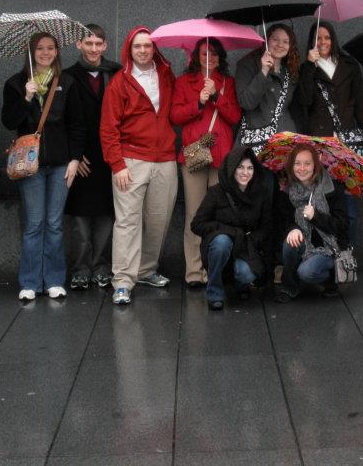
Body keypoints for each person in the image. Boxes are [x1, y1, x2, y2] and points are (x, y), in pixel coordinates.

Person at [2, 32, 84, 301]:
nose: (45, 53)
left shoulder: (67, 82)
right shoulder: (15, 83)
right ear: (31, 51)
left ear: (57, 51)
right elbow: (8, 120)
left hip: (60, 163)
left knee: (55, 223)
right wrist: (26, 98)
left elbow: (76, 125)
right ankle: (29, 281)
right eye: (40, 48)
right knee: (34, 223)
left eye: (50, 48)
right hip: (30, 164)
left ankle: (54, 280)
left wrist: (74, 159)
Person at [100, 27, 178, 306]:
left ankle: (145, 270)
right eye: (137, 47)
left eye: (147, 46)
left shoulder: (166, 75)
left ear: (154, 48)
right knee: (128, 222)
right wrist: (117, 164)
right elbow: (108, 128)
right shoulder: (120, 83)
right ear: (129, 50)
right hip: (131, 160)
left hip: (165, 159)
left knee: (159, 219)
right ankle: (122, 280)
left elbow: (179, 107)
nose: (143, 50)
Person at [170, 37, 241, 288]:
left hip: (221, 157)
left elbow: (234, 116)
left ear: (220, 58)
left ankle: (215, 271)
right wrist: (199, 101)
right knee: (194, 213)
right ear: (195, 57)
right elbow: (175, 116)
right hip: (196, 153)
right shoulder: (183, 82)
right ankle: (193, 272)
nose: (208, 58)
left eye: (213, 54)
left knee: (219, 213)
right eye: (204, 54)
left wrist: (216, 98)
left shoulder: (228, 83)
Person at [297, 20, 363, 244]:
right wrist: (310, 67)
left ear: (333, 40)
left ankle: (346, 254)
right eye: (318, 38)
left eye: (327, 37)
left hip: (348, 146)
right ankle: (325, 255)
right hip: (320, 147)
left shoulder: (349, 65)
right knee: (323, 202)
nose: (323, 42)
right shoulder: (306, 68)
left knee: (348, 204)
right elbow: (304, 101)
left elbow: (362, 104)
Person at [64, 24, 120, 290]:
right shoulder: (66, 76)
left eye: (99, 44)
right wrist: (75, 155)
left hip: (110, 155)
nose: (94, 49)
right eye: (89, 44)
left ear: (105, 46)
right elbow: (62, 119)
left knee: (107, 215)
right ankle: (80, 268)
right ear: (78, 45)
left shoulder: (117, 72)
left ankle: (100, 266)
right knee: (80, 217)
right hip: (80, 158)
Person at [190, 147, 273, 310]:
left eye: (250, 168)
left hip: (246, 247)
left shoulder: (260, 193)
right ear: (231, 168)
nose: (245, 172)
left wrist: (251, 240)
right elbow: (197, 224)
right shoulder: (216, 192)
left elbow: (266, 227)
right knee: (222, 242)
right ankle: (215, 292)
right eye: (240, 167)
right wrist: (225, 231)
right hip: (221, 245)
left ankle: (240, 285)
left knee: (246, 274)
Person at [274, 144, 349, 302]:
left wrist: (316, 216)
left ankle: (330, 279)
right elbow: (283, 221)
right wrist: (293, 229)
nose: (302, 168)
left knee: (306, 273)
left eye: (307, 163)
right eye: (297, 163)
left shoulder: (332, 189)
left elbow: (342, 226)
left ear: (315, 165)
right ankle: (290, 286)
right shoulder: (287, 190)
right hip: (305, 245)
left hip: (330, 248)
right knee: (289, 242)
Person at [234, 23, 303, 152]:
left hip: (286, 139)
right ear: (267, 40)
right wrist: (264, 71)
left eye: (285, 41)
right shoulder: (247, 64)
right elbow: (247, 103)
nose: (280, 45)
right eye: (275, 39)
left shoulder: (290, 70)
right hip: (257, 139)